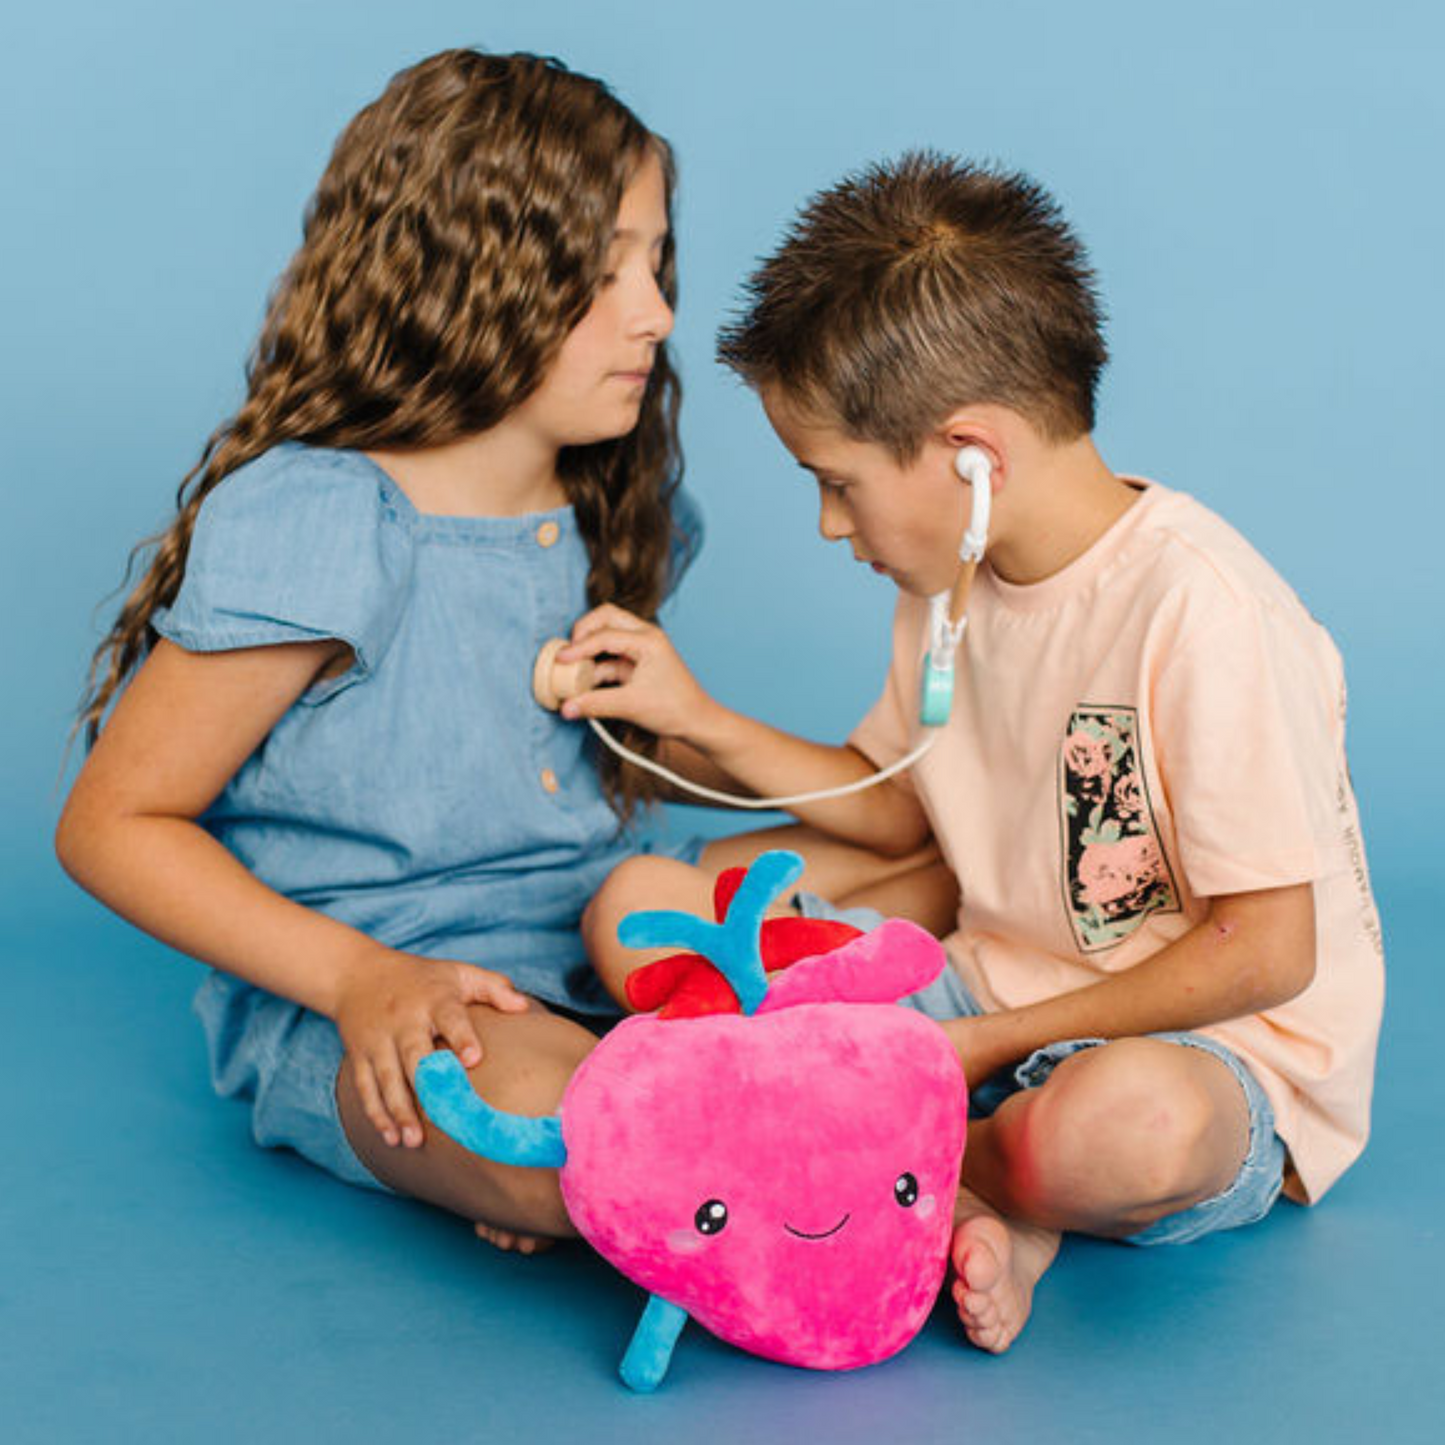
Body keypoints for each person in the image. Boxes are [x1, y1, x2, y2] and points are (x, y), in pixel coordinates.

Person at [54, 49, 931, 1254]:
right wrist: (360, 979)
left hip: (607, 925)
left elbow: (662, 773)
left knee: (937, 865)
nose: (657, 314)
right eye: (601, 269)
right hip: (393, 983)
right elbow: (112, 824)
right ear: (467, 276)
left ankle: (699, 1101)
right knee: (561, 1120)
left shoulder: (617, 499)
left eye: (656, 260)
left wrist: (695, 717)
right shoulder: (322, 520)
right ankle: (774, 1125)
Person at [560, 153, 1385, 1349]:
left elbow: (1267, 951)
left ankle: (930, 1170)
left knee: (1121, 1128)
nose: (829, 525)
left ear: (971, 460)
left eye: (836, 483)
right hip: (980, 986)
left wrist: (974, 1048)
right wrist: (697, 717)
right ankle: (960, 1173)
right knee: (641, 903)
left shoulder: (1203, 612)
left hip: (1200, 1047)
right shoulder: (952, 582)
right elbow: (896, 813)